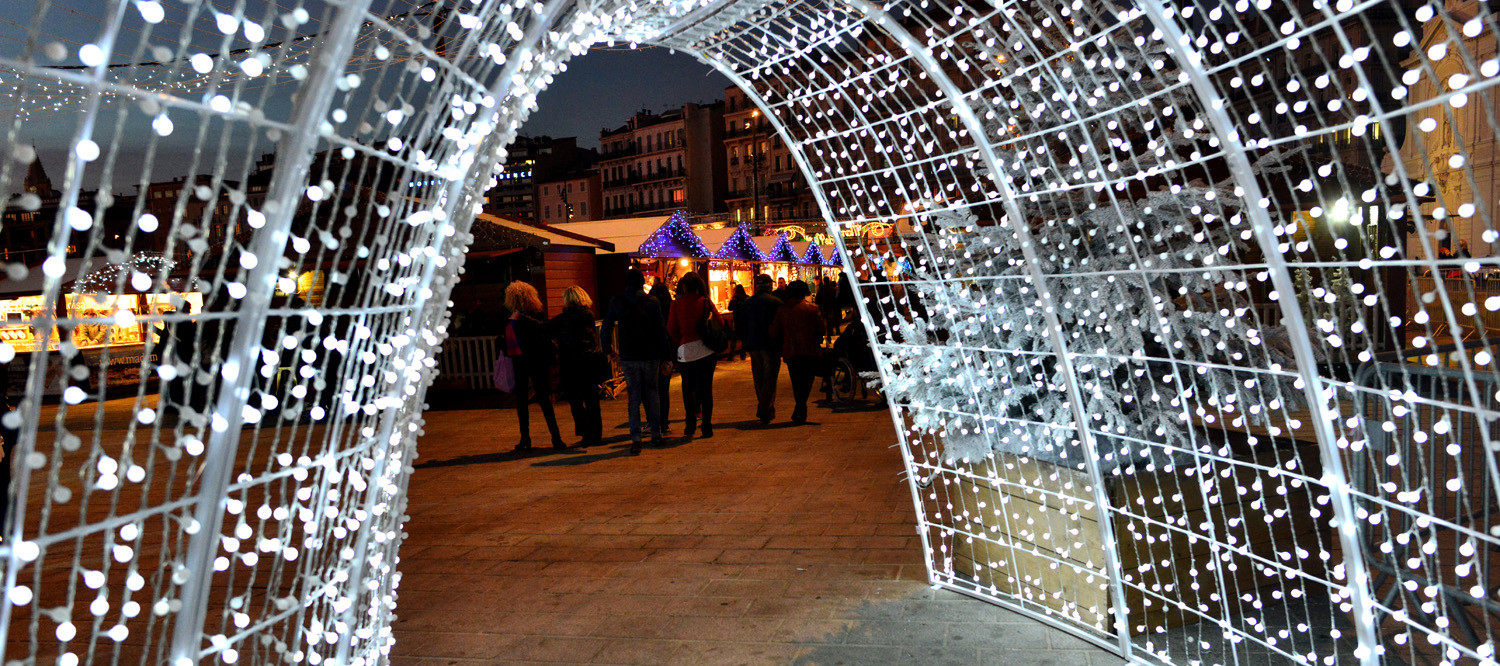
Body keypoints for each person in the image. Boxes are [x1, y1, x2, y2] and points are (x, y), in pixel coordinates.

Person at [601, 270, 669, 454]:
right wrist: (667, 356)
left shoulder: (617, 302)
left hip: (629, 356)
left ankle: (636, 438)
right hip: (651, 355)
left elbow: (606, 328)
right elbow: (661, 330)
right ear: (641, 282)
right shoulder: (652, 302)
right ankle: (656, 433)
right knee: (653, 393)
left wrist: (609, 351)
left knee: (634, 397)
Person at [502, 281, 564, 451]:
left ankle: (525, 438)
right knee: (544, 398)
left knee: (521, 400)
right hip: (539, 359)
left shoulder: (512, 317)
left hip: (519, 360)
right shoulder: (537, 314)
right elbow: (545, 333)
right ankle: (556, 437)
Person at [666, 272, 722, 439]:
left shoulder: (676, 304)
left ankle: (690, 424)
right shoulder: (705, 302)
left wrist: (681, 341)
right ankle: (707, 426)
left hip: (686, 351)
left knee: (688, 388)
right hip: (706, 350)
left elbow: (671, 329)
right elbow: (720, 321)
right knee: (706, 389)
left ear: (683, 287)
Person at [549, 286, 604, 448]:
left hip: (571, 363)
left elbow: (546, 328)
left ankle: (586, 434)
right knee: (592, 400)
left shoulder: (564, 319)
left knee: (576, 402)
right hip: (589, 361)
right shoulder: (588, 315)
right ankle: (597, 434)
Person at [770, 280, 825, 424]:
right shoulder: (813, 309)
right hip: (810, 350)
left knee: (796, 381)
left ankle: (800, 408)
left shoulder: (783, 310)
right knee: (807, 380)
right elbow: (821, 329)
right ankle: (801, 407)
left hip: (791, 350)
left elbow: (774, 331)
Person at [736, 274, 784, 424]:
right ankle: (764, 408)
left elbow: (742, 324)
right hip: (771, 344)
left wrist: (744, 343)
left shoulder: (748, 303)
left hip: (754, 344)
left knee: (759, 378)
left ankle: (767, 408)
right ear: (769, 286)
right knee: (770, 378)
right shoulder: (776, 302)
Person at [648, 281, 675, 434]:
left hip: (650, 353)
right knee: (663, 390)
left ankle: (653, 421)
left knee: (651, 389)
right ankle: (664, 422)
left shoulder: (648, 307)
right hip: (667, 351)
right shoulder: (670, 307)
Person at [727, 283, 749, 360]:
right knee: (744, 338)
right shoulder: (747, 298)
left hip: (736, 320)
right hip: (745, 321)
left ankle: (732, 354)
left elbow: (729, 308)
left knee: (734, 338)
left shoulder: (734, 299)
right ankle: (743, 354)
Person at [815, 277, 838, 343]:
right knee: (829, 323)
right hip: (830, 308)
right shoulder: (832, 290)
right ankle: (829, 336)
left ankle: (822, 337)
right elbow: (835, 300)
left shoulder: (821, 290)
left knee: (822, 323)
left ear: (823, 281)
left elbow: (817, 300)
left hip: (823, 308)